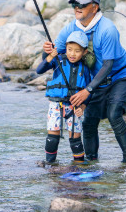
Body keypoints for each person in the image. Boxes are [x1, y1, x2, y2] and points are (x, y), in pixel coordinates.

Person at [42, 0, 126, 163]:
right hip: (95, 81)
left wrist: (87, 90)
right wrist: (47, 52)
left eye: (82, 5)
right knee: (89, 122)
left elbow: (108, 65)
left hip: (120, 76)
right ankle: (91, 162)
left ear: (94, 7)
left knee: (114, 114)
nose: (77, 8)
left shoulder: (107, 29)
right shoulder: (70, 29)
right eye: (75, 5)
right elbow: (53, 57)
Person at [36, 31, 92, 164]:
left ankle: (79, 166)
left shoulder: (85, 68)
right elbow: (39, 70)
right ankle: (50, 164)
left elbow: (89, 91)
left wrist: (83, 107)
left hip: (74, 107)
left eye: (77, 51)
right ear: (65, 48)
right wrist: (50, 57)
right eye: (69, 50)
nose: (72, 54)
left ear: (84, 52)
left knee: (75, 139)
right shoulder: (58, 60)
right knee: (52, 137)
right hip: (56, 104)